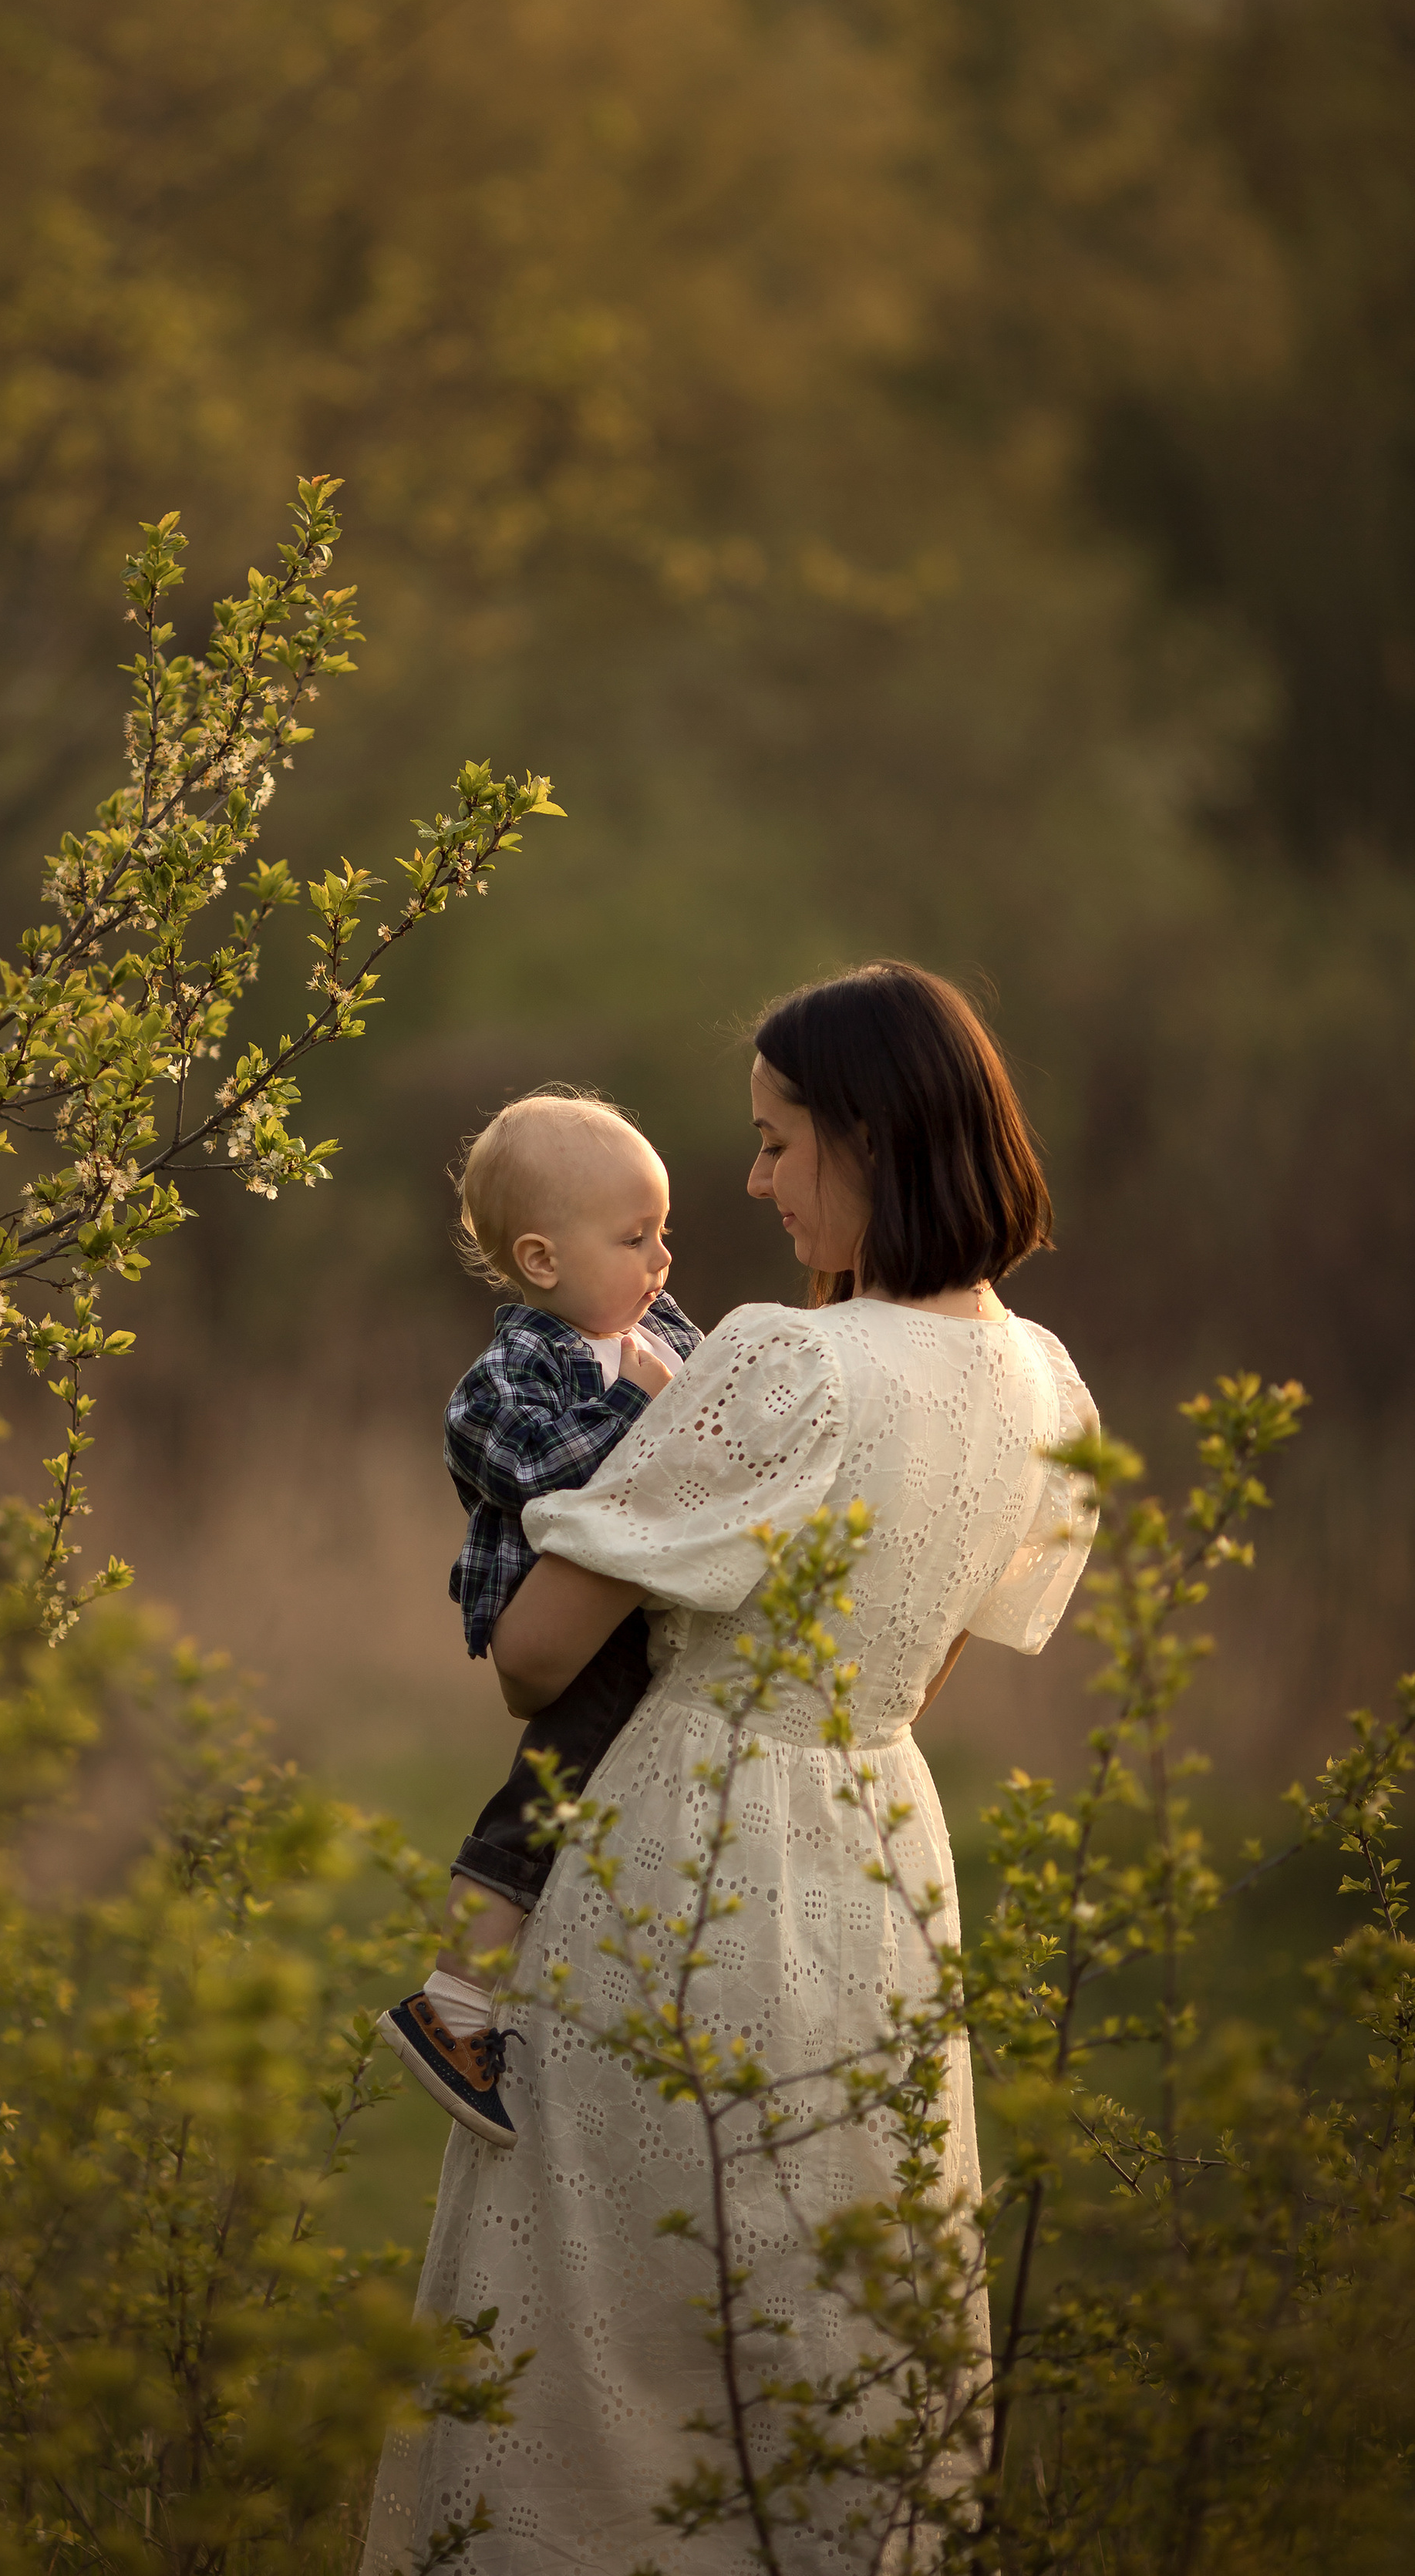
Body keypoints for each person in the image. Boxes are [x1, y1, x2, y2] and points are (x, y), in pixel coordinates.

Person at [361, 965, 1099, 2575]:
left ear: (866, 1139)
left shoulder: (789, 1361)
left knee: (600, 2326)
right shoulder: (1039, 1384)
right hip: (878, 1851)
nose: (752, 1184)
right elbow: (926, 1656)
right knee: (838, 2300)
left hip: (688, 1840)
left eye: (773, 1144)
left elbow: (535, 1661)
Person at [379, 1091, 704, 2147]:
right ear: (543, 1258)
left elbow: (727, 1421)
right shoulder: (512, 1376)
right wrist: (643, 1411)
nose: (662, 1258)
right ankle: (454, 2000)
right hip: (558, 1613)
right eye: (634, 1237)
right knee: (553, 1780)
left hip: (647, 1606)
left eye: (662, 1232)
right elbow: (537, 1477)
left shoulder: (659, 1331)